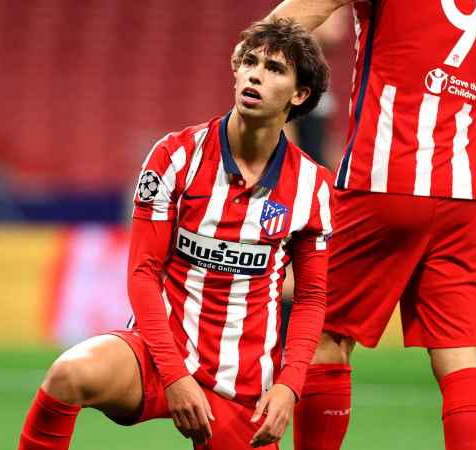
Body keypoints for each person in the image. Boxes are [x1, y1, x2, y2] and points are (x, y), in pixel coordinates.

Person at [18, 18, 334, 450]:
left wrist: (289, 385)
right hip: (156, 355)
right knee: (69, 374)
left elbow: (311, 297)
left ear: (299, 95)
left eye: (275, 69)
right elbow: (142, 273)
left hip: (240, 383)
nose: (256, 74)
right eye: (249, 62)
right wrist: (175, 375)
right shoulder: (175, 156)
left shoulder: (313, 187)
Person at [254, 1, 476, 450]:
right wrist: (455, 147)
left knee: (324, 336)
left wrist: (254, 52)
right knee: (461, 359)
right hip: (466, 191)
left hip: (381, 179)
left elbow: (301, 12)